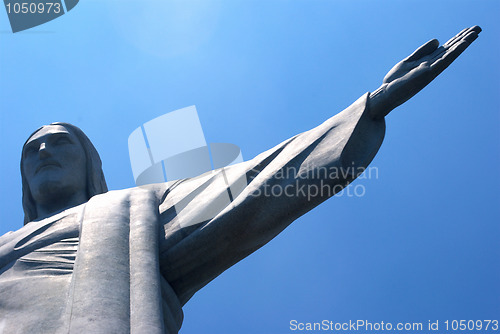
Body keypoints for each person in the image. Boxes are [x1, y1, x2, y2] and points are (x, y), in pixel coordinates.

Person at [0, 26, 481, 334]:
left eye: (60, 142)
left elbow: (257, 182)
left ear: (90, 166)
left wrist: (367, 107)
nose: (43, 150)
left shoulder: (133, 215)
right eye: (31, 148)